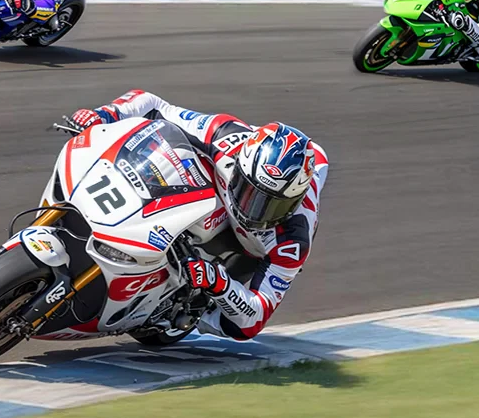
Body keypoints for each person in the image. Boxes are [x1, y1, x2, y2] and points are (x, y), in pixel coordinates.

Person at [68, 90, 329, 340]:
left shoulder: (293, 240)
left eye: (272, 205)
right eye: (249, 192)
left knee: (232, 327)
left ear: (295, 200)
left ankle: (179, 309)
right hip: (219, 184)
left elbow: (255, 318)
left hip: (249, 247)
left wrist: (219, 282)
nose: (254, 210)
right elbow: (153, 105)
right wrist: (104, 115)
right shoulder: (224, 135)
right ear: (239, 164)